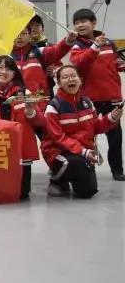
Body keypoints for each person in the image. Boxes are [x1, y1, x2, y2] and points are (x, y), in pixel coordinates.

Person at [43, 65, 122, 198]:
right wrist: (83, 151)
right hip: (57, 151)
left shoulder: (87, 102)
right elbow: (58, 138)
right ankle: (57, 180)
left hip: (82, 152)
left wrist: (111, 118)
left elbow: (96, 127)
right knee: (74, 163)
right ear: (59, 83)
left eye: (73, 76)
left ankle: (73, 174)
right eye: (65, 77)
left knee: (87, 191)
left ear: (80, 80)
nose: (70, 79)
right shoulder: (53, 106)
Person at [68, 8, 124, 180]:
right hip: (89, 99)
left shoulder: (109, 43)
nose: (80, 25)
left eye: (83, 21)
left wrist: (122, 63)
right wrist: (94, 47)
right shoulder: (77, 46)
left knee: (115, 137)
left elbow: (117, 65)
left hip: (112, 97)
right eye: (77, 23)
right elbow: (79, 62)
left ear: (93, 23)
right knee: (87, 137)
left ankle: (117, 170)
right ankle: (87, 169)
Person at [0, 55, 39, 198]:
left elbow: (40, 122)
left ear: (14, 73)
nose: (3, 72)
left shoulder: (25, 93)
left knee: (22, 193)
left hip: (21, 149)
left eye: (8, 69)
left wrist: (31, 111)